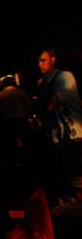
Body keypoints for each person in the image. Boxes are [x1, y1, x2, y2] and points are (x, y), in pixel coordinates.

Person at [36, 48, 82, 204]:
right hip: (56, 136)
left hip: (72, 133)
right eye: (38, 61)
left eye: (43, 60)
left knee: (74, 176)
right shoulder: (44, 82)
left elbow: (52, 104)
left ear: (53, 59)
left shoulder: (64, 77)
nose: (40, 64)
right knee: (62, 176)